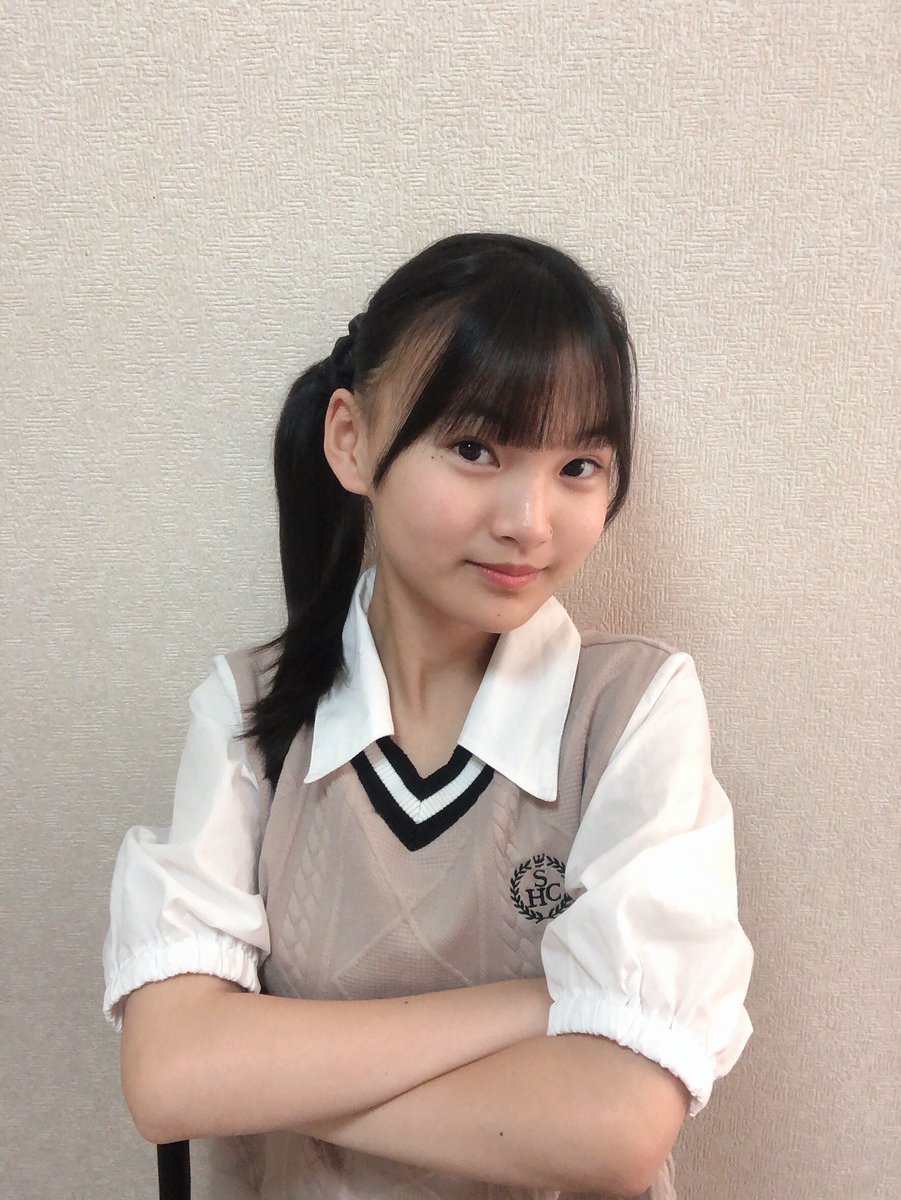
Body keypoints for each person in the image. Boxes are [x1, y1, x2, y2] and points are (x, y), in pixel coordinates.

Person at [101, 231, 754, 1199]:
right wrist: (536, 1005)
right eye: (475, 448)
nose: (529, 521)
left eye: (579, 465)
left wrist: (260, 1076)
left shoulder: (631, 711)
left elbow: (615, 1131)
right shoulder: (250, 712)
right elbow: (168, 1077)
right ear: (351, 441)